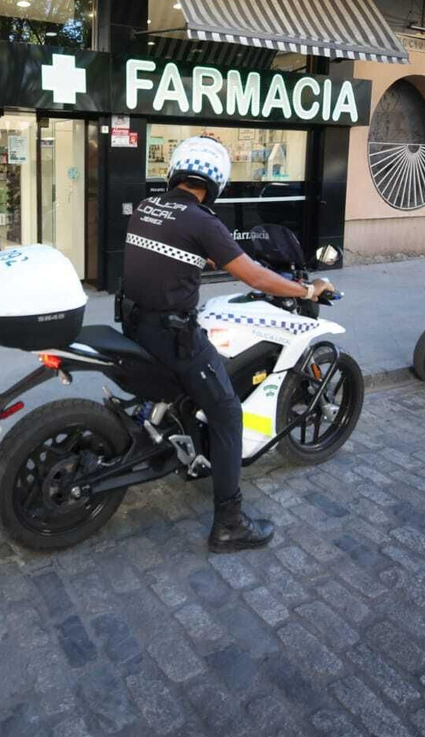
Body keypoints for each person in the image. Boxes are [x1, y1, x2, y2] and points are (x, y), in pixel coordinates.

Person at [119, 135, 333, 552]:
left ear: (176, 171)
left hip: (135, 324)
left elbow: (181, 253)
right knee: (227, 412)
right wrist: (304, 292)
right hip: (173, 336)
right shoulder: (203, 222)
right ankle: (230, 523)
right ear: (216, 181)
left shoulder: (148, 207)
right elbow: (253, 277)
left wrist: (218, 254)